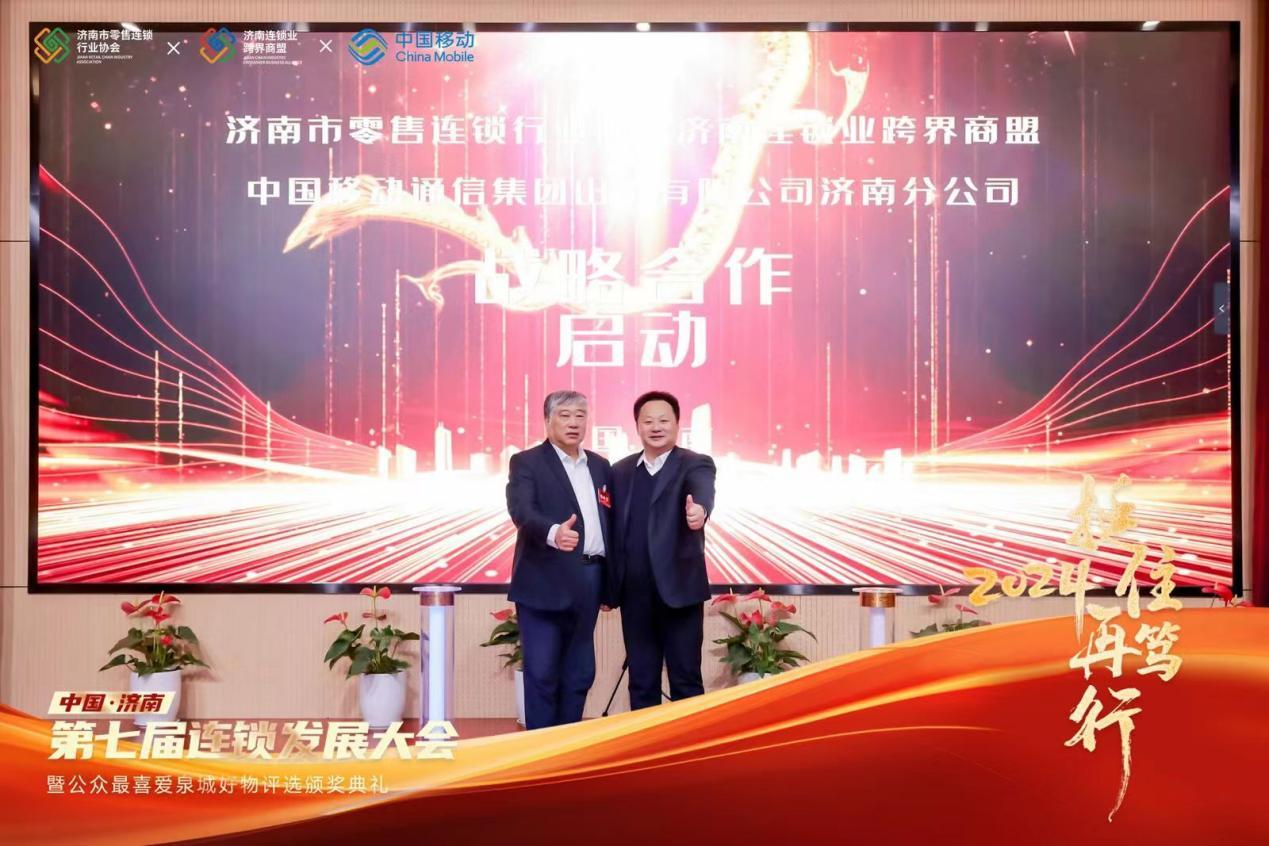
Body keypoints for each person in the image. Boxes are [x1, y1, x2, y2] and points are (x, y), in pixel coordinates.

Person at [505, 390, 613, 729]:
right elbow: (521, 510)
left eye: (580, 415)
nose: (574, 422)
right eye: (565, 415)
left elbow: (609, 522)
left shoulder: (600, 466)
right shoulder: (527, 462)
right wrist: (553, 532)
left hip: (590, 579)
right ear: (547, 420)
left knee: (580, 672)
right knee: (543, 673)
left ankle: (569, 745)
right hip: (543, 581)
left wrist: (611, 584)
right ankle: (543, 751)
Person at [608, 390, 716, 710]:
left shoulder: (695, 464)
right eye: (648, 421)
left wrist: (700, 512)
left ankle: (689, 742)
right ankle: (647, 742)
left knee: (685, 679)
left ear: (677, 424)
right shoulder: (620, 471)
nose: (656, 427)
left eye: (664, 420)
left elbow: (702, 494)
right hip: (634, 594)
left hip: (679, 591)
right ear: (637, 426)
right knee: (641, 681)